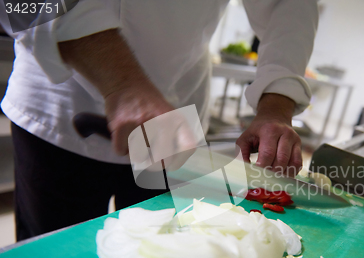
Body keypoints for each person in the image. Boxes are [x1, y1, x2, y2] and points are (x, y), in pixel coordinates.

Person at [0, 0, 319, 241]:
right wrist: (122, 84)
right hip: (60, 106)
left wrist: (277, 101)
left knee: (164, 249)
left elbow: (287, 5)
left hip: (179, 119)